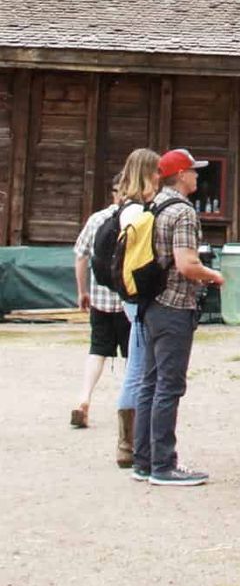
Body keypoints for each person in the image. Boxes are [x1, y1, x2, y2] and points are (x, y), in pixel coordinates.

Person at [132, 148, 224, 486]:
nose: (198, 176)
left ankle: (143, 460)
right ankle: (164, 464)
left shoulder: (153, 205)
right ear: (181, 174)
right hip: (174, 305)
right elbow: (186, 264)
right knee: (169, 386)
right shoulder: (183, 212)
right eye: (194, 171)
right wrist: (215, 277)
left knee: (150, 383)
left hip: (151, 302)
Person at [113, 148, 161, 467]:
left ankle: (132, 441)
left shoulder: (130, 208)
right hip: (137, 297)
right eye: (156, 171)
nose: (160, 177)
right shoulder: (134, 212)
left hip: (133, 297)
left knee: (140, 365)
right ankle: (127, 443)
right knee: (138, 368)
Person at [71, 180, 131, 430]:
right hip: (129, 300)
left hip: (99, 298)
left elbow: (81, 256)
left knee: (97, 351)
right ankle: (128, 407)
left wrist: (82, 291)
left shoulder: (97, 219)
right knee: (132, 356)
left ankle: (83, 398)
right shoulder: (138, 217)